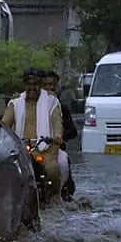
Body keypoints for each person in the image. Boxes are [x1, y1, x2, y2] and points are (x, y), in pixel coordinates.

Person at [1, 69, 66, 193]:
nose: (32, 88)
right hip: (21, 151)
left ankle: (56, 200)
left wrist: (57, 136)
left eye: (35, 84)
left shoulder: (51, 102)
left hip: (46, 150)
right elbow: (4, 125)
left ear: (40, 85)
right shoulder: (15, 103)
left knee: (52, 170)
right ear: (25, 85)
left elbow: (57, 122)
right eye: (29, 84)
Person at [41, 70, 77, 199]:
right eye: (46, 85)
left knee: (62, 162)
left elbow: (73, 131)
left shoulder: (62, 108)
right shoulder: (26, 106)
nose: (50, 88)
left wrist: (58, 137)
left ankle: (62, 194)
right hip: (33, 149)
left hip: (56, 150)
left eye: (53, 84)